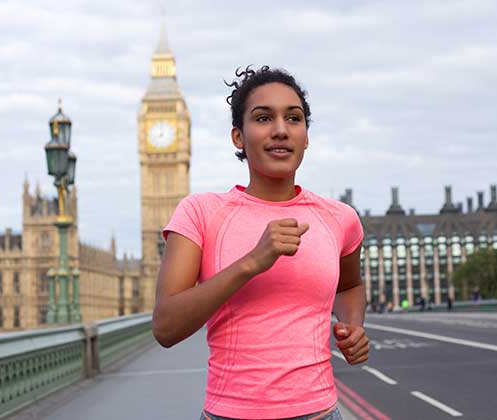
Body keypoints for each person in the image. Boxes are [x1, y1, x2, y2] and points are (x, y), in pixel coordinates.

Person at [152, 65, 369, 420]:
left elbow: (350, 286)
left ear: (306, 136)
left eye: (294, 119)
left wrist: (353, 326)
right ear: (238, 136)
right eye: (264, 118)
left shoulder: (340, 218)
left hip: (320, 412)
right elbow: (165, 327)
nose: (281, 130)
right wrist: (252, 262)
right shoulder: (200, 213)